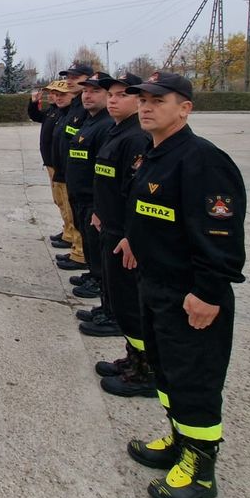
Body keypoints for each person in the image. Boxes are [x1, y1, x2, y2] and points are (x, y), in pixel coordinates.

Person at [118, 72, 246, 498]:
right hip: (156, 287)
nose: (146, 106)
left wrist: (208, 292)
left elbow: (221, 235)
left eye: (158, 99)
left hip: (190, 295)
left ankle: (200, 470)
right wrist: (133, 238)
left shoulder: (202, 160)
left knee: (195, 380)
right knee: (169, 374)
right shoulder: (153, 155)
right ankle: (179, 441)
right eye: (142, 100)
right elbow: (152, 212)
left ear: (185, 108)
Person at [87, 73, 154, 396]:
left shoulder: (136, 138)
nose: (113, 100)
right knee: (122, 299)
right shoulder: (117, 131)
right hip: (111, 226)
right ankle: (134, 358)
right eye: (110, 94)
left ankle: (145, 369)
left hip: (126, 236)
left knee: (131, 302)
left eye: (122, 95)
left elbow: (137, 193)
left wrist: (131, 233)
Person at [63, 72, 115, 309]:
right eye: (85, 91)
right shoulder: (89, 120)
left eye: (95, 91)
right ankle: (95, 275)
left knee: (98, 247)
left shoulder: (106, 125)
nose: (88, 95)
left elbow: (104, 170)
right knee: (91, 245)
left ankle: (101, 283)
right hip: (80, 195)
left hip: (93, 199)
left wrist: (100, 205)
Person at [50, 64, 92, 271]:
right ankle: (77, 248)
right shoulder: (74, 106)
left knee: (80, 215)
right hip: (64, 167)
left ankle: (81, 254)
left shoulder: (85, 108)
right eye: (68, 76)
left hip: (76, 172)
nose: (70, 80)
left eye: (76, 76)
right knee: (70, 210)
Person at [28, 81, 71, 248]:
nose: (53, 96)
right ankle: (67, 229)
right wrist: (33, 103)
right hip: (51, 163)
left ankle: (71, 235)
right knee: (59, 200)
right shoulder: (54, 111)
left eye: (59, 93)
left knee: (66, 201)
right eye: (52, 93)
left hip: (59, 164)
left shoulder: (66, 113)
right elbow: (36, 116)